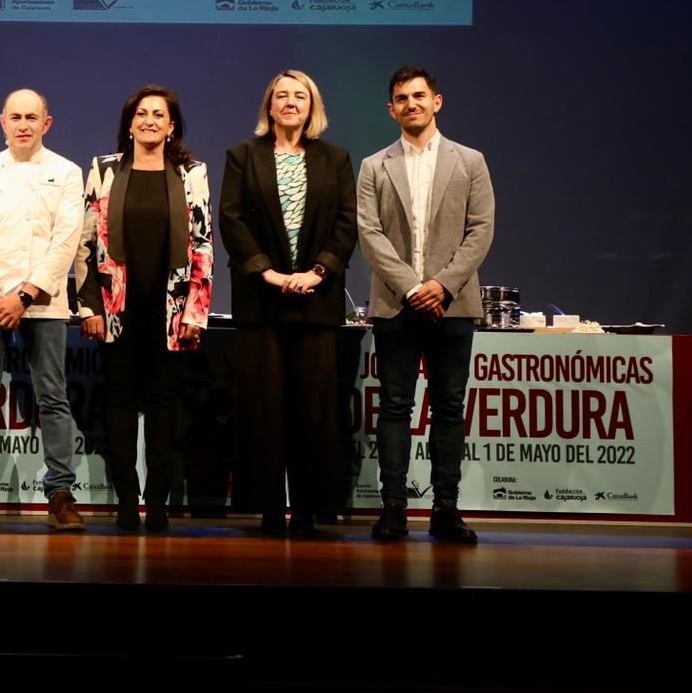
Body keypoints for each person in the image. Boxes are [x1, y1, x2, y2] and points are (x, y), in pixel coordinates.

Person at [357, 66, 495, 543]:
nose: (411, 103)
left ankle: (446, 509)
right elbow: (369, 235)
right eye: (401, 98)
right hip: (397, 304)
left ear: (437, 101)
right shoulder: (374, 165)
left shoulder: (470, 161)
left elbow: (480, 230)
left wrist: (443, 284)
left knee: (450, 408)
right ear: (391, 109)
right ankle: (394, 506)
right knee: (395, 406)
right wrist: (415, 287)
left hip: (453, 305)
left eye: (419, 95)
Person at [219, 70, 356, 538]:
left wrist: (317, 271)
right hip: (262, 300)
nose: (290, 102)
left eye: (300, 96)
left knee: (314, 410)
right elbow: (232, 221)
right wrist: (270, 273)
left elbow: (346, 224)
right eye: (282, 96)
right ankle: (269, 508)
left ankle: (310, 509)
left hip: (316, 301)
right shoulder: (242, 156)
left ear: (312, 106)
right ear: (269, 106)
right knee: (264, 409)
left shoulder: (335, 158)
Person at [0, 89, 85, 530]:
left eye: (32, 117)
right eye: (15, 117)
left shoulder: (67, 172)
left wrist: (23, 296)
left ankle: (61, 493)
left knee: (52, 396)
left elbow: (65, 239)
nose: (23, 124)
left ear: (48, 123)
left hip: (42, 301)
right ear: (2, 122)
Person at [77, 85, 212, 532]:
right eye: (142, 113)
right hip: (117, 312)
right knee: (117, 404)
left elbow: (203, 247)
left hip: (170, 314)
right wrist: (89, 305)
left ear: (172, 126)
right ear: (130, 123)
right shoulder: (105, 170)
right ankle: (126, 502)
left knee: (162, 406)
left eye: (159, 114)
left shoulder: (193, 173)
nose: (150, 119)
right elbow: (85, 244)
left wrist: (195, 312)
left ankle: (157, 503)